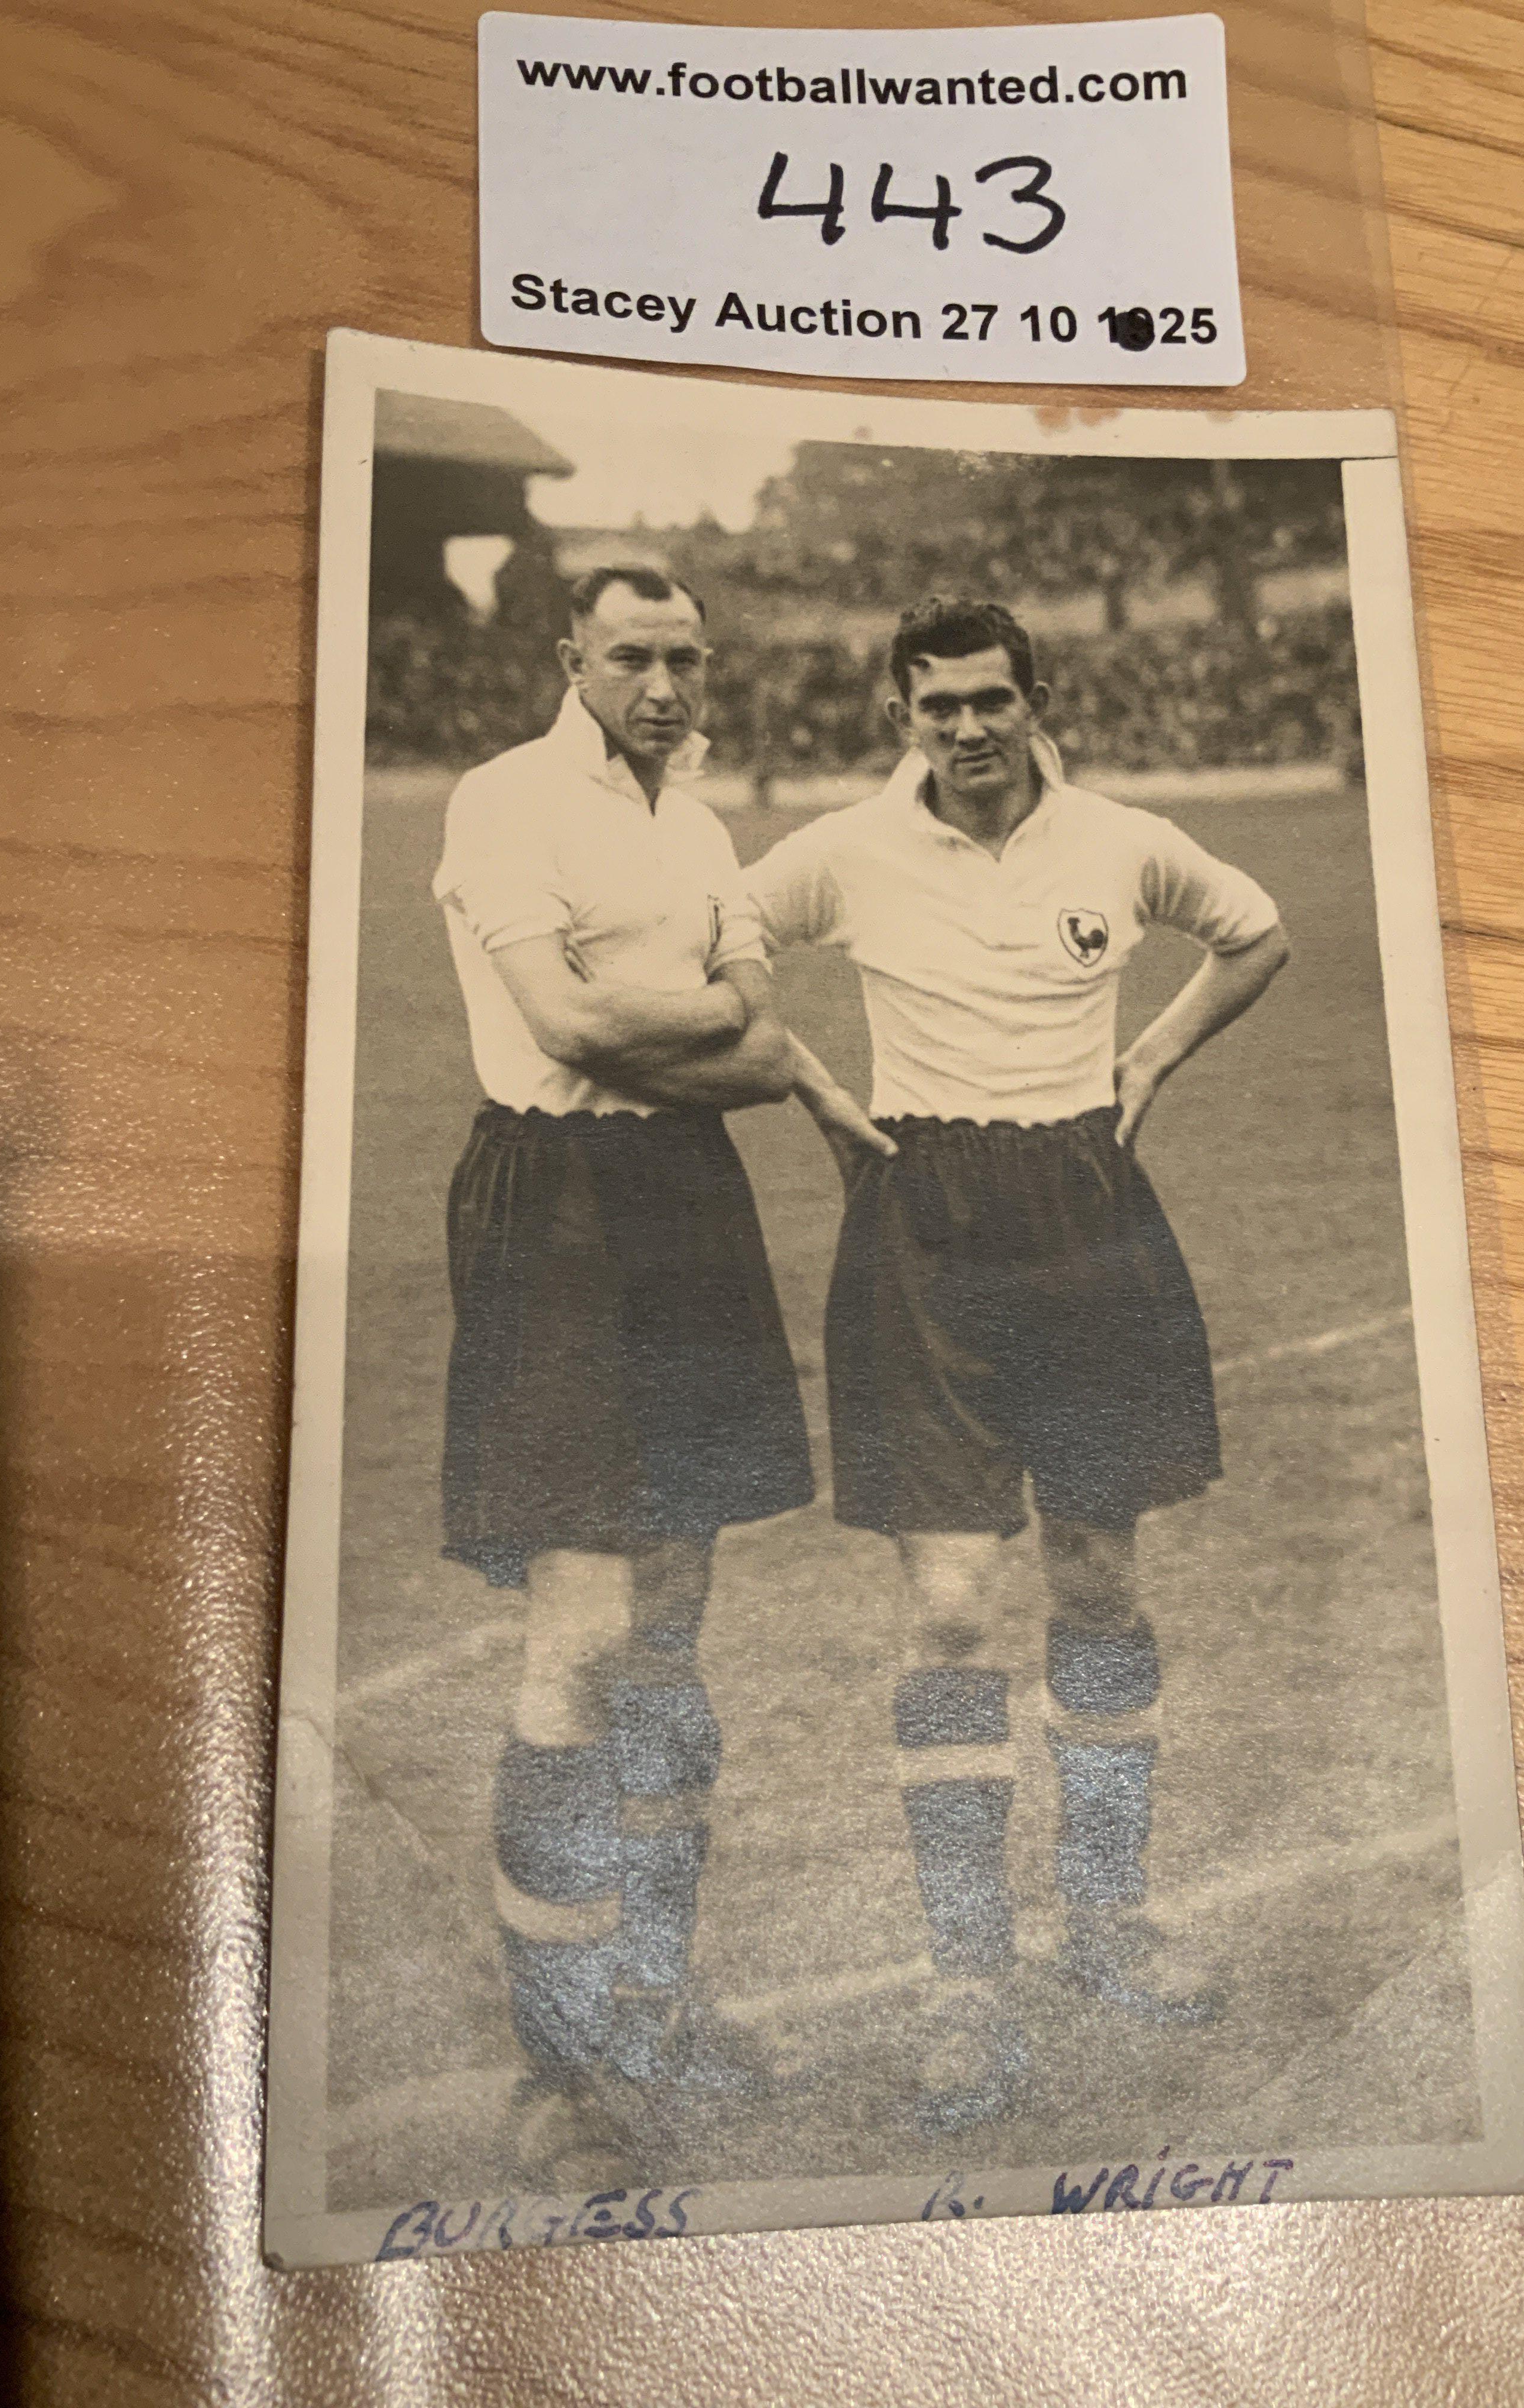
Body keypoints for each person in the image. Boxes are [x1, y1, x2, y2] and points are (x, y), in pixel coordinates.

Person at [749, 597, 1290, 2129]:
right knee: (949, 1606)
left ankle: (1110, 1917)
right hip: (923, 1218)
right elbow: (716, 948)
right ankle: (966, 1981)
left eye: (993, 700)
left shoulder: (1121, 839)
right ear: (901, 714)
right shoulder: (843, 852)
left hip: (1088, 1209)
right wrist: (813, 1090)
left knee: (1101, 1582)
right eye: (940, 706)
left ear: (1035, 700)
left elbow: (1255, 934)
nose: (969, 728)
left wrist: (1153, 1056)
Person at [433, 565, 887, 2107]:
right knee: (582, 1638)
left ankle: (656, 2006)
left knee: (674, 1627)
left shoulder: (696, 830)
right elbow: (562, 1033)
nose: (667, 684)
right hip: (551, 1200)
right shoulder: (503, 802)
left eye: (687, 657)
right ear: (570, 655)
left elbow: (760, 1032)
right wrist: (701, 1030)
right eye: (634, 654)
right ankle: (560, 2069)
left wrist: (704, 1035)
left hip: (684, 1196)